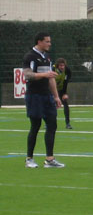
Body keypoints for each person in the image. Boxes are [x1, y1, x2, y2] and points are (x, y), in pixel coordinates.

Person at [23, 32, 65, 168]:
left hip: (47, 96)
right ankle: (29, 158)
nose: (49, 44)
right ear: (39, 42)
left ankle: (49, 159)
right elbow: (27, 75)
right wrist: (44, 74)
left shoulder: (47, 57)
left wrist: (56, 96)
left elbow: (51, 78)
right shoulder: (30, 56)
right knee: (35, 126)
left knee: (52, 125)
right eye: (47, 41)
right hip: (34, 96)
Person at [54, 58, 73, 129]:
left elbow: (65, 82)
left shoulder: (67, 71)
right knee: (51, 105)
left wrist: (65, 93)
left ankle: (68, 123)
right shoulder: (52, 69)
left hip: (61, 89)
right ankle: (48, 123)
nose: (62, 67)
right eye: (60, 65)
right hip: (52, 90)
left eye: (63, 65)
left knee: (65, 103)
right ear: (57, 66)